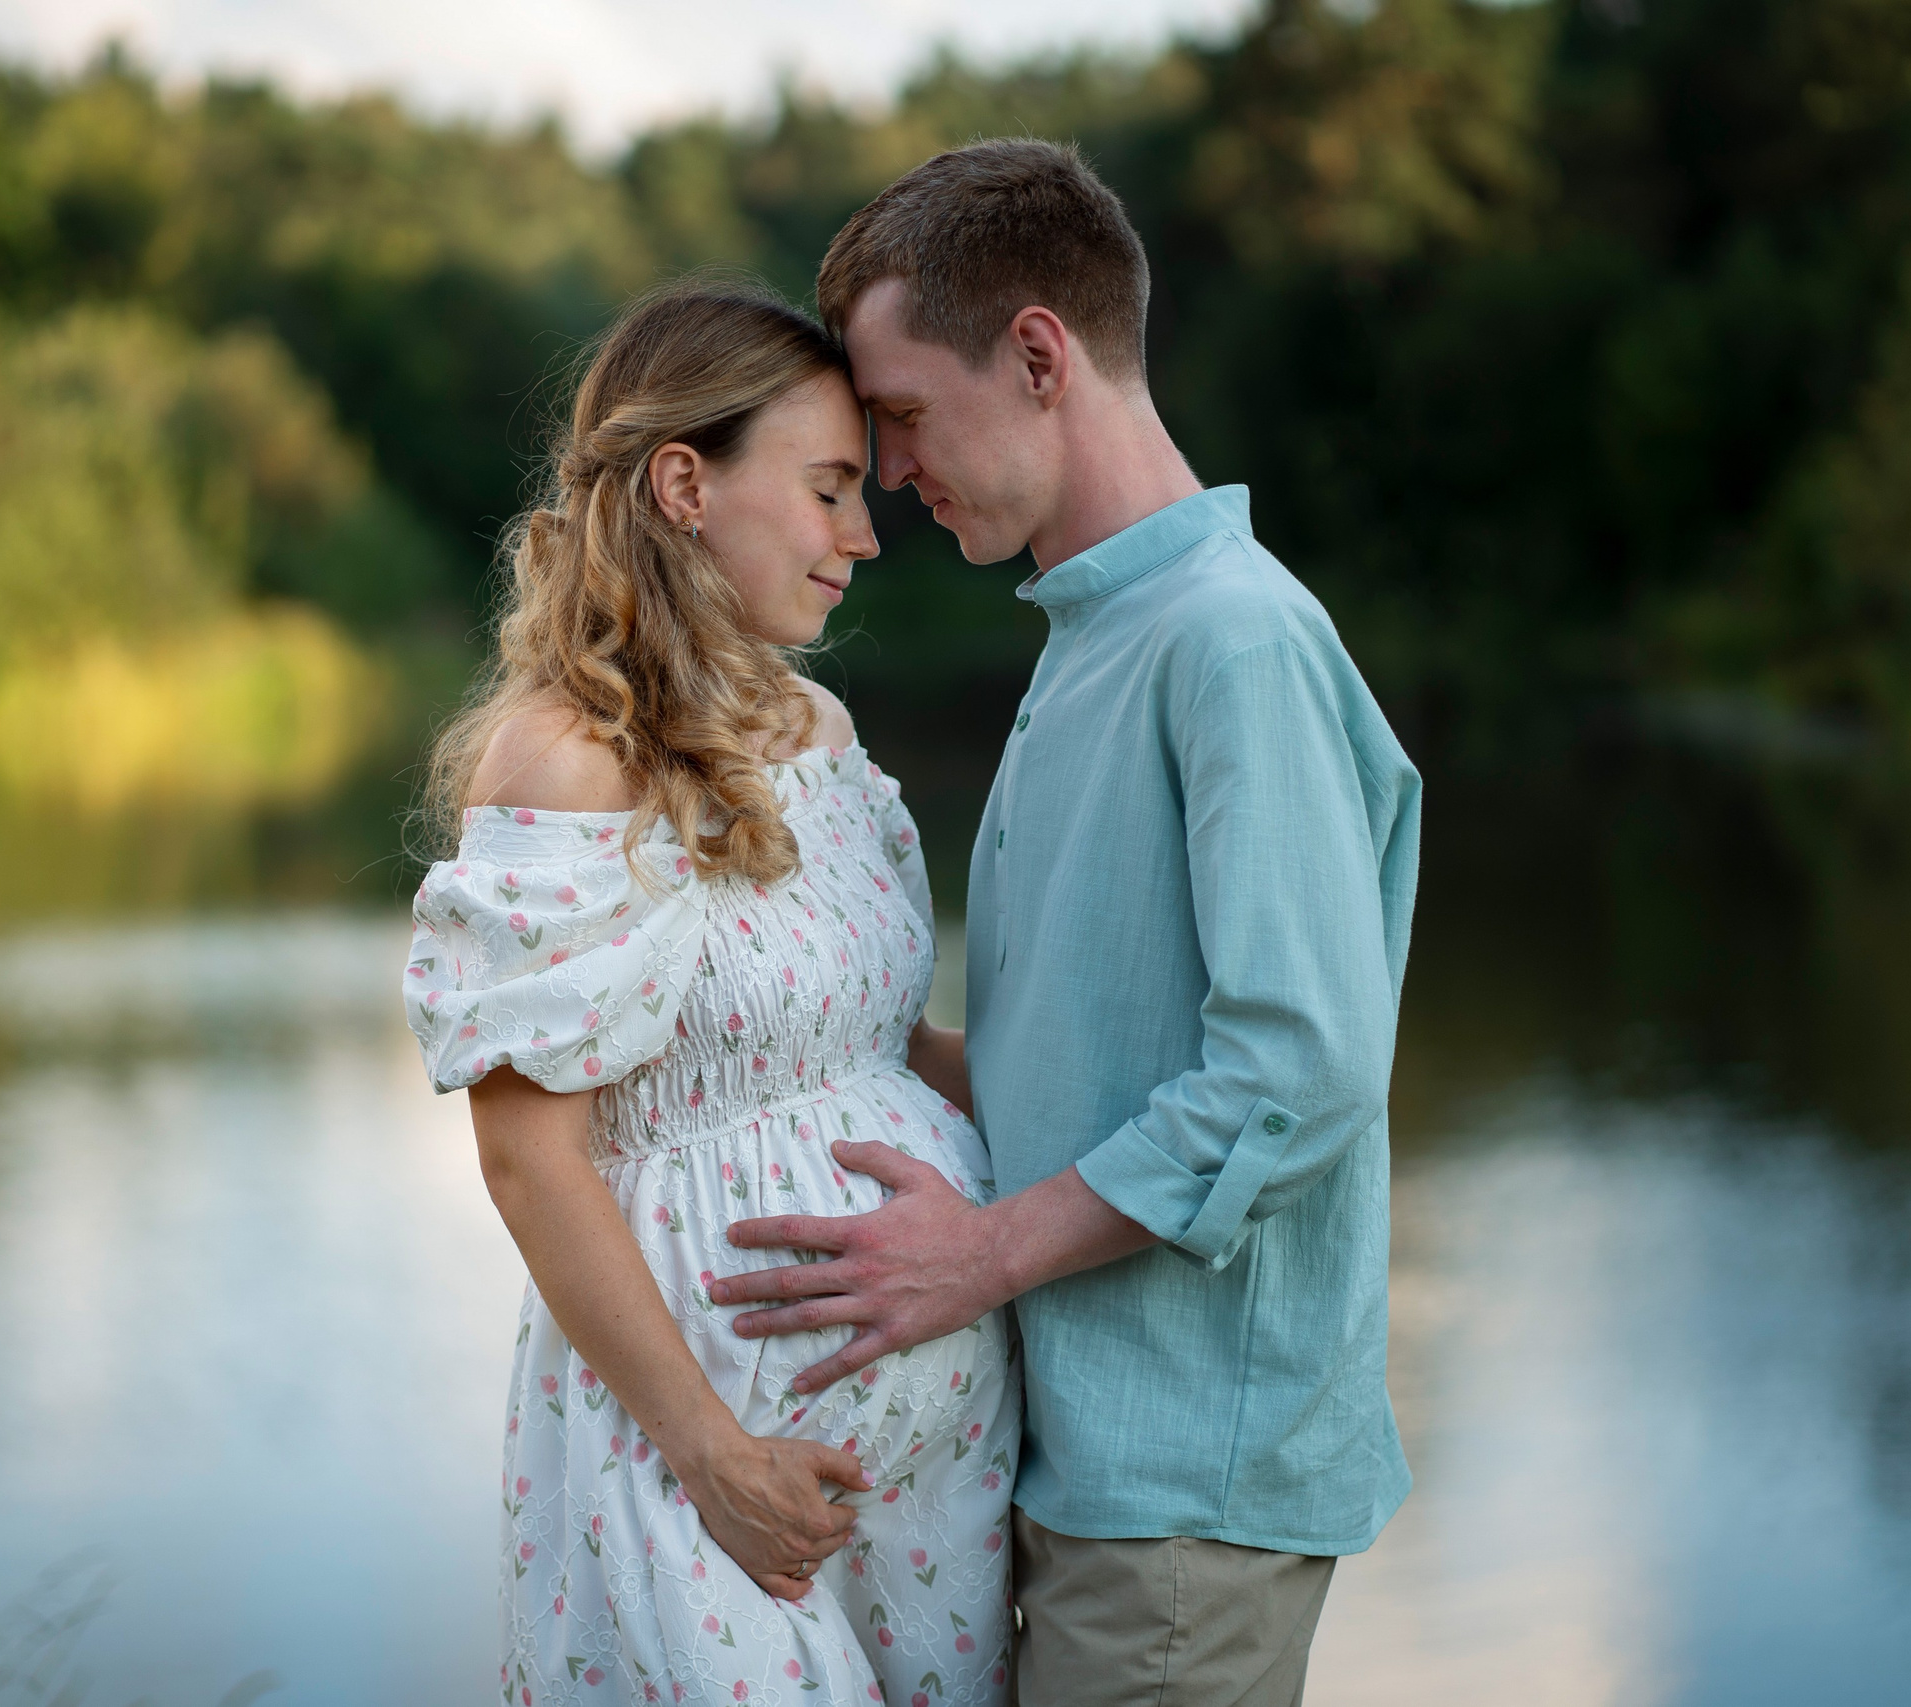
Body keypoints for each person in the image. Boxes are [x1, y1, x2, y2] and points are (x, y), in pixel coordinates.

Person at [706, 141, 1422, 1705]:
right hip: (1084, 1465)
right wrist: (770, 1037)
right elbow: (1087, 1062)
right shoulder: (1097, 634)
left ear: (1036, 354)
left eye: (899, 414)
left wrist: (978, 1255)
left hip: (1183, 1502)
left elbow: (1300, 1073)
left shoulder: (1233, 643)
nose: (888, 473)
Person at [403, 282, 1018, 1707]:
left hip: (933, 1479)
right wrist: (713, 1457)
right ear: (687, 482)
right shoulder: (561, 766)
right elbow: (528, 1155)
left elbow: (887, 1051)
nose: (865, 535)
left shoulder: (823, 729)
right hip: (702, 1467)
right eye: (829, 489)